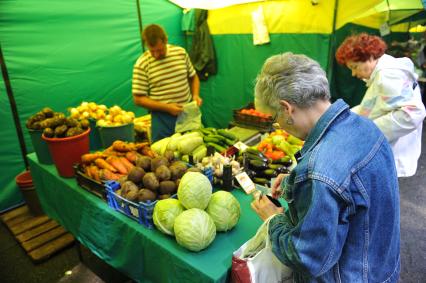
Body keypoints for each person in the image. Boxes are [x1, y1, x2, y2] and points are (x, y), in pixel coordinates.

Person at [251, 52, 400, 282]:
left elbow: (308, 258)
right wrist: (295, 180)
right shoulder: (366, 127)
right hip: (380, 269)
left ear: (287, 108)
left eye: (274, 117)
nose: (277, 124)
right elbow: (351, 193)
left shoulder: (319, 171)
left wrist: (274, 220)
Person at [335, 33, 426, 177]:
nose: (353, 73)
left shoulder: (388, 75)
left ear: (369, 57)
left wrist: (369, 131)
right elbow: (373, 105)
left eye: (354, 67)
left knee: (385, 190)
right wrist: (345, 116)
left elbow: (412, 113)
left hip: (394, 148)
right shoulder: (382, 72)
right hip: (387, 147)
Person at [132, 24, 202, 142]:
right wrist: (167, 107)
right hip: (162, 119)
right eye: (152, 51)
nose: (156, 55)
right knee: (163, 156)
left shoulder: (180, 53)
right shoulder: (142, 63)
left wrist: (195, 95)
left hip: (187, 113)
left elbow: (193, 77)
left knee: (193, 152)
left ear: (166, 41)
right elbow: (138, 99)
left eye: (159, 50)